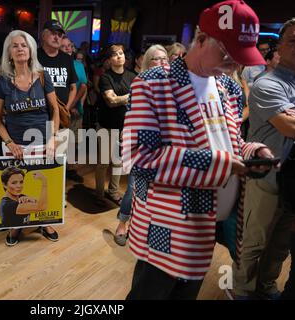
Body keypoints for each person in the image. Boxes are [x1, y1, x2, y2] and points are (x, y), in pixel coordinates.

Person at [122, 0, 274, 299]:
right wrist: (222, 163)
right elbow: (139, 157)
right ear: (201, 39)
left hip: (210, 222)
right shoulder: (152, 83)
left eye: (241, 56)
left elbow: (228, 142)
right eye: (228, 53)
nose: (235, 64)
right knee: (151, 292)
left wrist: (251, 151)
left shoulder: (228, 88)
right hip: (166, 227)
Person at [232, 17, 295, 300]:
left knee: (282, 243)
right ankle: (243, 291)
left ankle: (267, 286)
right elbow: (292, 128)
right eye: (293, 40)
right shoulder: (267, 84)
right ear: (280, 48)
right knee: (254, 242)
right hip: (268, 176)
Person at [0, 30, 60, 245]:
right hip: (16, 146)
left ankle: (44, 221)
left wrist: (52, 138)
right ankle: (15, 226)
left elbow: (55, 110)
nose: (20, 48)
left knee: (39, 180)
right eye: (15, 46)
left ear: (31, 51)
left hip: (42, 142)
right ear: (9, 53)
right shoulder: (3, 81)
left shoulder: (42, 76)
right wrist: (9, 143)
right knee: (16, 185)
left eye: (24, 45)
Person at [114, 44, 170, 247]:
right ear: (147, 62)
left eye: (164, 59)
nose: (162, 63)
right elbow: (132, 113)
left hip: (164, 147)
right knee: (133, 186)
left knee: (156, 193)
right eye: (156, 59)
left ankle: (145, 229)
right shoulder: (140, 82)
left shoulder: (174, 85)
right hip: (142, 144)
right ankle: (122, 224)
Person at [38, 20, 80, 182]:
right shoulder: (35, 56)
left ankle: (57, 194)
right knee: (41, 156)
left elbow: (73, 87)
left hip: (60, 117)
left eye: (59, 35)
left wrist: (66, 109)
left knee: (59, 156)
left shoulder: (66, 59)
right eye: (53, 33)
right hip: (39, 115)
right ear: (43, 35)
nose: (57, 37)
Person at [96, 44, 136, 206]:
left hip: (124, 126)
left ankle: (113, 192)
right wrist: (131, 95)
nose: (119, 56)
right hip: (106, 124)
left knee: (118, 161)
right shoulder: (106, 77)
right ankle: (99, 195)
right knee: (103, 162)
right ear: (109, 59)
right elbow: (111, 101)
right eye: (115, 54)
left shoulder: (132, 76)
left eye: (121, 53)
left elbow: (134, 103)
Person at [0, 167, 48, 246]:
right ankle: (15, 229)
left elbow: (40, 203)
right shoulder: (8, 205)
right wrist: (44, 181)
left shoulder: (21, 196)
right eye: (14, 183)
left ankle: (44, 226)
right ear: (5, 185)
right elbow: (42, 206)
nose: (19, 186)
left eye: (21, 182)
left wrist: (31, 199)